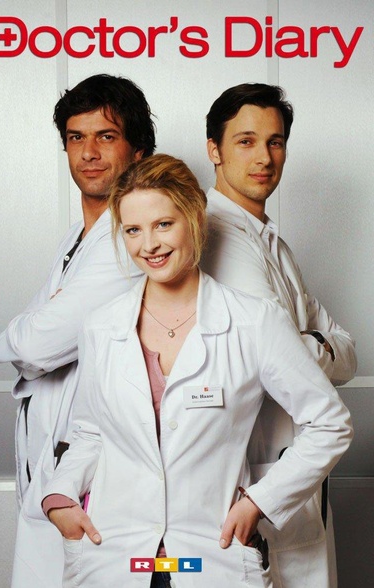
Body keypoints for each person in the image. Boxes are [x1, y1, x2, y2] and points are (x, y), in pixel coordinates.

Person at [41, 154, 352, 588]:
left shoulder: (253, 321)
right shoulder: (101, 326)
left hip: (210, 558)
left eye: (163, 224)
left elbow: (330, 423)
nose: (149, 245)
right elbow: (91, 432)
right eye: (133, 230)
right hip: (115, 557)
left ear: (195, 219)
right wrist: (58, 495)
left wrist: (259, 502)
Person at [0, 73, 156, 588]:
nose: (88, 153)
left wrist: (25, 336)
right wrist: (32, 337)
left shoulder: (130, 243)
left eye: (106, 136)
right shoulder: (76, 239)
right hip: (49, 467)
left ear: (138, 151)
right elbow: (32, 344)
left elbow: (31, 346)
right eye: (76, 138)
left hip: (92, 477)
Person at [202, 83, 357, 587]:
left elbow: (347, 353)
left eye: (275, 142)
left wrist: (304, 341)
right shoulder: (217, 235)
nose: (264, 157)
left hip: (295, 474)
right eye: (245, 141)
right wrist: (311, 340)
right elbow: (277, 353)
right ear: (214, 150)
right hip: (255, 482)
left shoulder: (272, 240)